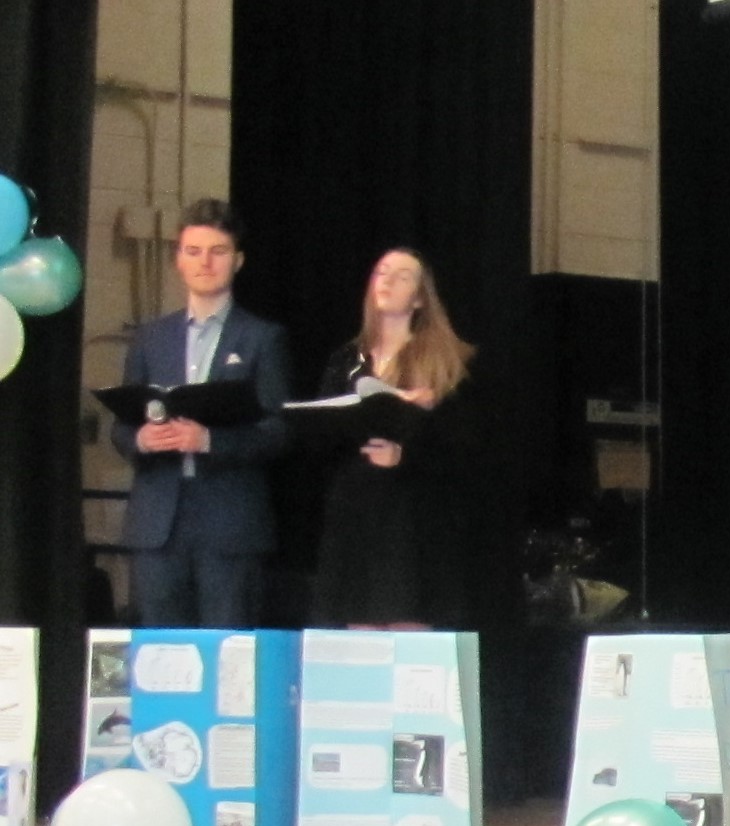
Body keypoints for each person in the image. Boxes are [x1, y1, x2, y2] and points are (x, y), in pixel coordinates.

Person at [109, 199, 292, 626]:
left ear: (238, 260)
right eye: (193, 251)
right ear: (178, 260)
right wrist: (141, 439)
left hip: (230, 524)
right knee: (161, 649)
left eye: (218, 251)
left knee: (228, 650)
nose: (205, 262)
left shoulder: (263, 338)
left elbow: (279, 431)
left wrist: (209, 440)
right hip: (158, 522)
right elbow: (121, 426)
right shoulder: (150, 338)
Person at [311, 247, 476, 629]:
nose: (387, 281)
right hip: (356, 513)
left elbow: (467, 449)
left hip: (412, 519)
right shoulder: (346, 360)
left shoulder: (446, 361)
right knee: (358, 636)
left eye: (402, 276)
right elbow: (320, 436)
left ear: (420, 298)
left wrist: (406, 453)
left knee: (406, 631)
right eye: (381, 272)